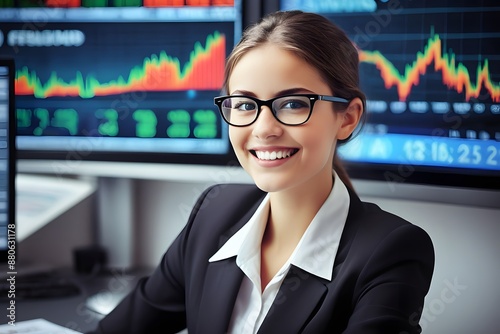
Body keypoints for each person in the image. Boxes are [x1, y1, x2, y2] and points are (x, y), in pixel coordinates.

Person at [88, 10, 434, 334]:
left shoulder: (392, 250)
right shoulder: (213, 213)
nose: (264, 128)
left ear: (347, 118)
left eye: (294, 103)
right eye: (244, 104)